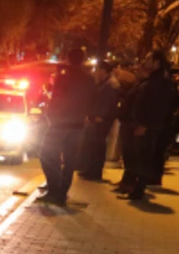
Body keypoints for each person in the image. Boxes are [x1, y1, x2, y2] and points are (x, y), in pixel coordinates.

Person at [37, 48, 92, 205]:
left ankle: (54, 189)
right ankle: (62, 192)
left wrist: (51, 116)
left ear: (68, 59)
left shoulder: (64, 77)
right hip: (77, 124)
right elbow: (91, 100)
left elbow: (57, 98)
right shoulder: (88, 79)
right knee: (70, 160)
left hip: (61, 123)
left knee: (46, 154)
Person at [118, 51, 176, 200]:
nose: (145, 61)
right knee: (138, 158)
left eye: (148, 59)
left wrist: (145, 124)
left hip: (146, 127)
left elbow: (157, 107)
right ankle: (135, 188)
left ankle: (138, 190)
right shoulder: (152, 80)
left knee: (143, 158)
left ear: (156, 62)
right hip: (142, 125)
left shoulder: (160, 82)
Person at [79, 61, 120, 181]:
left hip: (101, 120)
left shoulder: (110, 84)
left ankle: (95, 172)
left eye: (97, 70)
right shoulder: (103, 83)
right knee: (92, 145)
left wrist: (101, 116)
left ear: (104, 71)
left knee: (98, 146)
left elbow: (109, 102)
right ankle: (90, 169)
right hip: (95, 118)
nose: (95, 72)